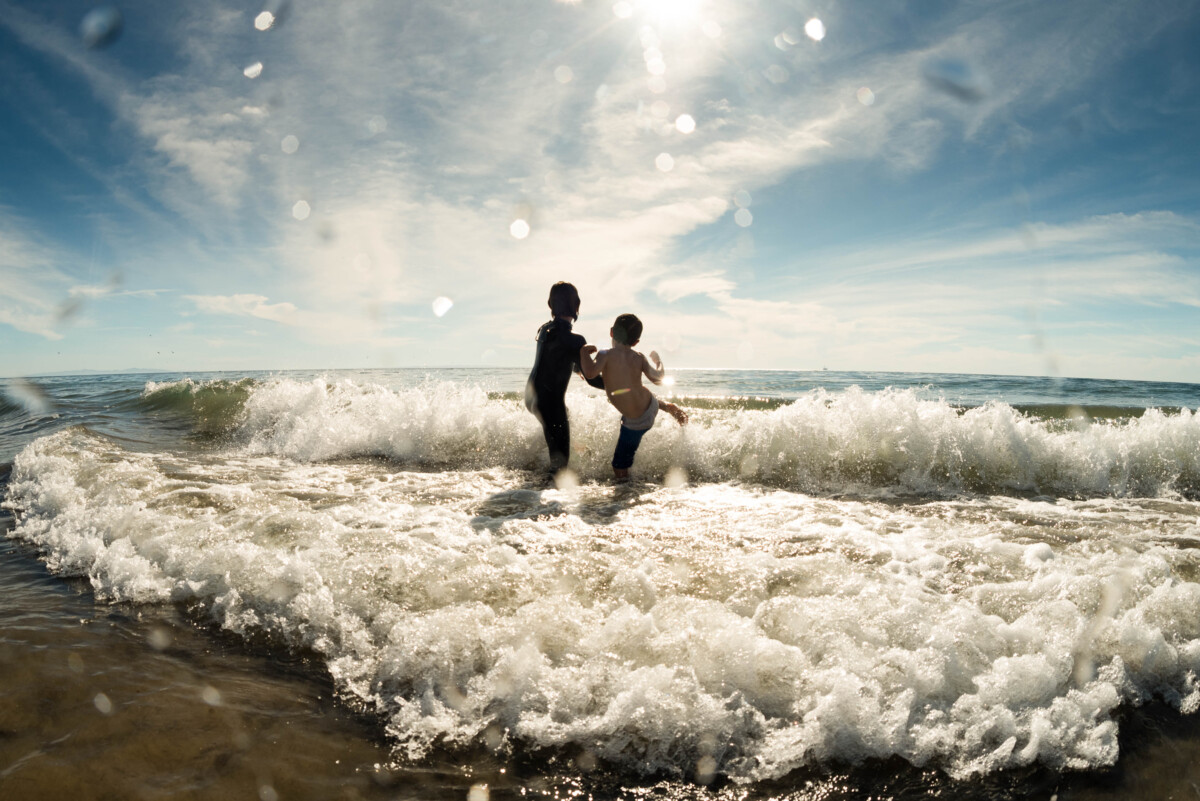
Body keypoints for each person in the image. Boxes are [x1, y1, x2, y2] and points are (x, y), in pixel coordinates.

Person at [579, 313, 688, 480]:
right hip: (649, 405)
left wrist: (584, 352)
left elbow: (590, 373)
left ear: (611, 332)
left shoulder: (605, 355)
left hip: (635, 424)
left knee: (619, 465)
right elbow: (658, 379)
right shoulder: (639, 357)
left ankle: (625, 490)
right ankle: (666, 406)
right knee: (636, 391)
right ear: (636, 342)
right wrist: (658, 362)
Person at [525, 282, 605, 474]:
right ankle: (545, 498)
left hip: (531, 397)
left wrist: (579, 367)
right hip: (550, 402)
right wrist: (621, 385)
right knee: (560, 466)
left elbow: (559, 357)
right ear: (577, 304)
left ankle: (533, 479)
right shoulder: (575, 339)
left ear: (550, 305)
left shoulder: (545, 329)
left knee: (557, 436)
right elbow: (593, 379)